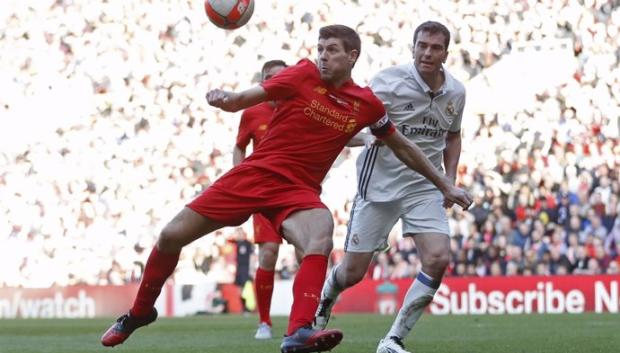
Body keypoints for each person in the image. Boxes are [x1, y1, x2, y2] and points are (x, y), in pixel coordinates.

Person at [100, 24, 472, 353]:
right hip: (255, 175)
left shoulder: (367, 104)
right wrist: (225, 100)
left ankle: (298, 332)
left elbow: (403, 146)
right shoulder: (302, 75)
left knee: (320, 236)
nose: (323, 57)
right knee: (170, 237)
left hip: (297, 191)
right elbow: (245, 99)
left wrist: (444, 183)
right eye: (320, 50)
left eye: (332, 51)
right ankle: (139, 312)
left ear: (352, 56)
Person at [313, 21, 468, 353]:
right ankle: (329, 291)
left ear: (446, 53)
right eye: (422, 45)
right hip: (379, 186)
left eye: (435, 47)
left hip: (424, 186)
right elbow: (352, 118)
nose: (427, 52)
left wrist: (449, 178)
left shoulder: (456, 92)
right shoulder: (388, 82)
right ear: (412, 47)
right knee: (353, 273)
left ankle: (393, 339)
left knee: (438, 258)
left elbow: (453, 135)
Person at [233, 59, 288, 339]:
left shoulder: (303, 106)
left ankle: (309, 317)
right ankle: (264, 322)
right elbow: (239, 147)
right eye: (269, 78)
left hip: (297, 188)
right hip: (264, 192)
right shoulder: (253, 112)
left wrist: (363, 137)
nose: (275, 82)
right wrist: (239, 177)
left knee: (311, 251)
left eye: (280, 76)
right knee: (268, 253)